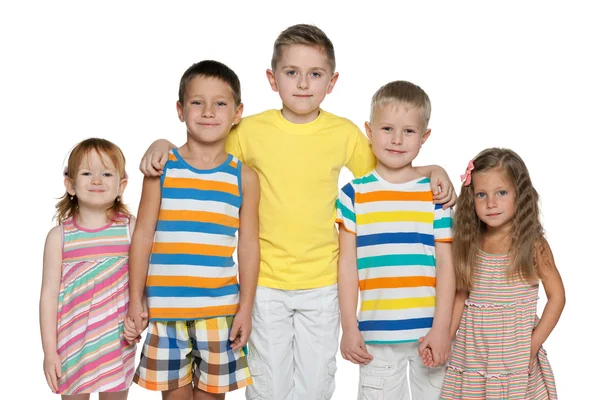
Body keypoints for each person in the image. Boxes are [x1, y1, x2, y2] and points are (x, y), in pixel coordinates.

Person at [137, 25, 456, 400]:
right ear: (273, 79)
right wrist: (163, 143)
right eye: (292, 73)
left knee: (316, 385)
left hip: (323, 283)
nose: (303, 84)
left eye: (315, 74)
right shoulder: (250, 129)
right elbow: (204, 149)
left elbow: (390, 168)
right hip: (264, 283)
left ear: (331, 81)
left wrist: (432, 171)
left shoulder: (344, 132)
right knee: (267, 384)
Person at [125, 60, 260, 400]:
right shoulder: (162, 168)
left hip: (219, 313)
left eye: (220, 103)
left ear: (237, 112)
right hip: (166, 312)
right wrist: (135, 298)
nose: (208, 111)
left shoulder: (244, 177)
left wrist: (245, 307)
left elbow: (248, 246)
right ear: (180, 110)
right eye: (197, 102)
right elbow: (142, 236)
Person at [336, 80, 455, 399]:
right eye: (387, 128)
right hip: (375, 335)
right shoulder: (354, 194)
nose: (397, 140)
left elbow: (446, 265)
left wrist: (442, 328)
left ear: (424, 137)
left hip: (430, 333)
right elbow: (346, 266)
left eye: (409, 131)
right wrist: (349, 327)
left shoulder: (434, 193)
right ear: (369, 131)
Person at [438, 148, 565, 399]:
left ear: (520, 194)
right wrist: (445, 337)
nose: (491, 203)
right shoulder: (470, 242)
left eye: (502, 193)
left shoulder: (533, 244)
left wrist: (532, 345)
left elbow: (557, 297)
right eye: (481, 194)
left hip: (515, 355)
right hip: (473, 354)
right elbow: (461, 297)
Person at [39, 138, 136, 398]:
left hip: (117, 343)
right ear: (70, 184)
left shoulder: (130, 229)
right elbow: (48, 296)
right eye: (86, 173)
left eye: (106, 173)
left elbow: (145, 280)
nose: (96, 180)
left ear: (121, 185)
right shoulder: (59, 237)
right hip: (71, 345)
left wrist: (140, 317)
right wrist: (49, 351)